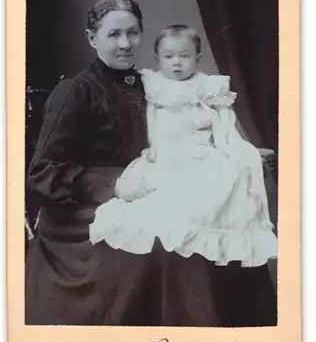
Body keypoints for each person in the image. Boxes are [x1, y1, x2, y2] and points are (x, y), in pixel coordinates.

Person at [26, 0, 277, 327]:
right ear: (91, 37)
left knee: (225, 219)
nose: (126, 44)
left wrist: (238, 158)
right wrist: (114, 186)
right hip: (84, 211)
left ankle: (244, 341)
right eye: (114, 34)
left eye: (132, 33)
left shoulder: (152, 85)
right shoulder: (76, 91)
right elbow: (43, 172)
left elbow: (183, 142)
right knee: (174, 246)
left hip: (154, 186)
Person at [90, 24, 278, 269]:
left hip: (199, 152)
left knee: (216, 188)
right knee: (150, 203)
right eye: (169, 57)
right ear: (158, 58)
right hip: (164, 153)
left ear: (197, 58)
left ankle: (202, 238)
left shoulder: (208, 87)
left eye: (185, 56)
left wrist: (235, 150)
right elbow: (147, 121)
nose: (176, 63)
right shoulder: (152, 84)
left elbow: (224, 124)